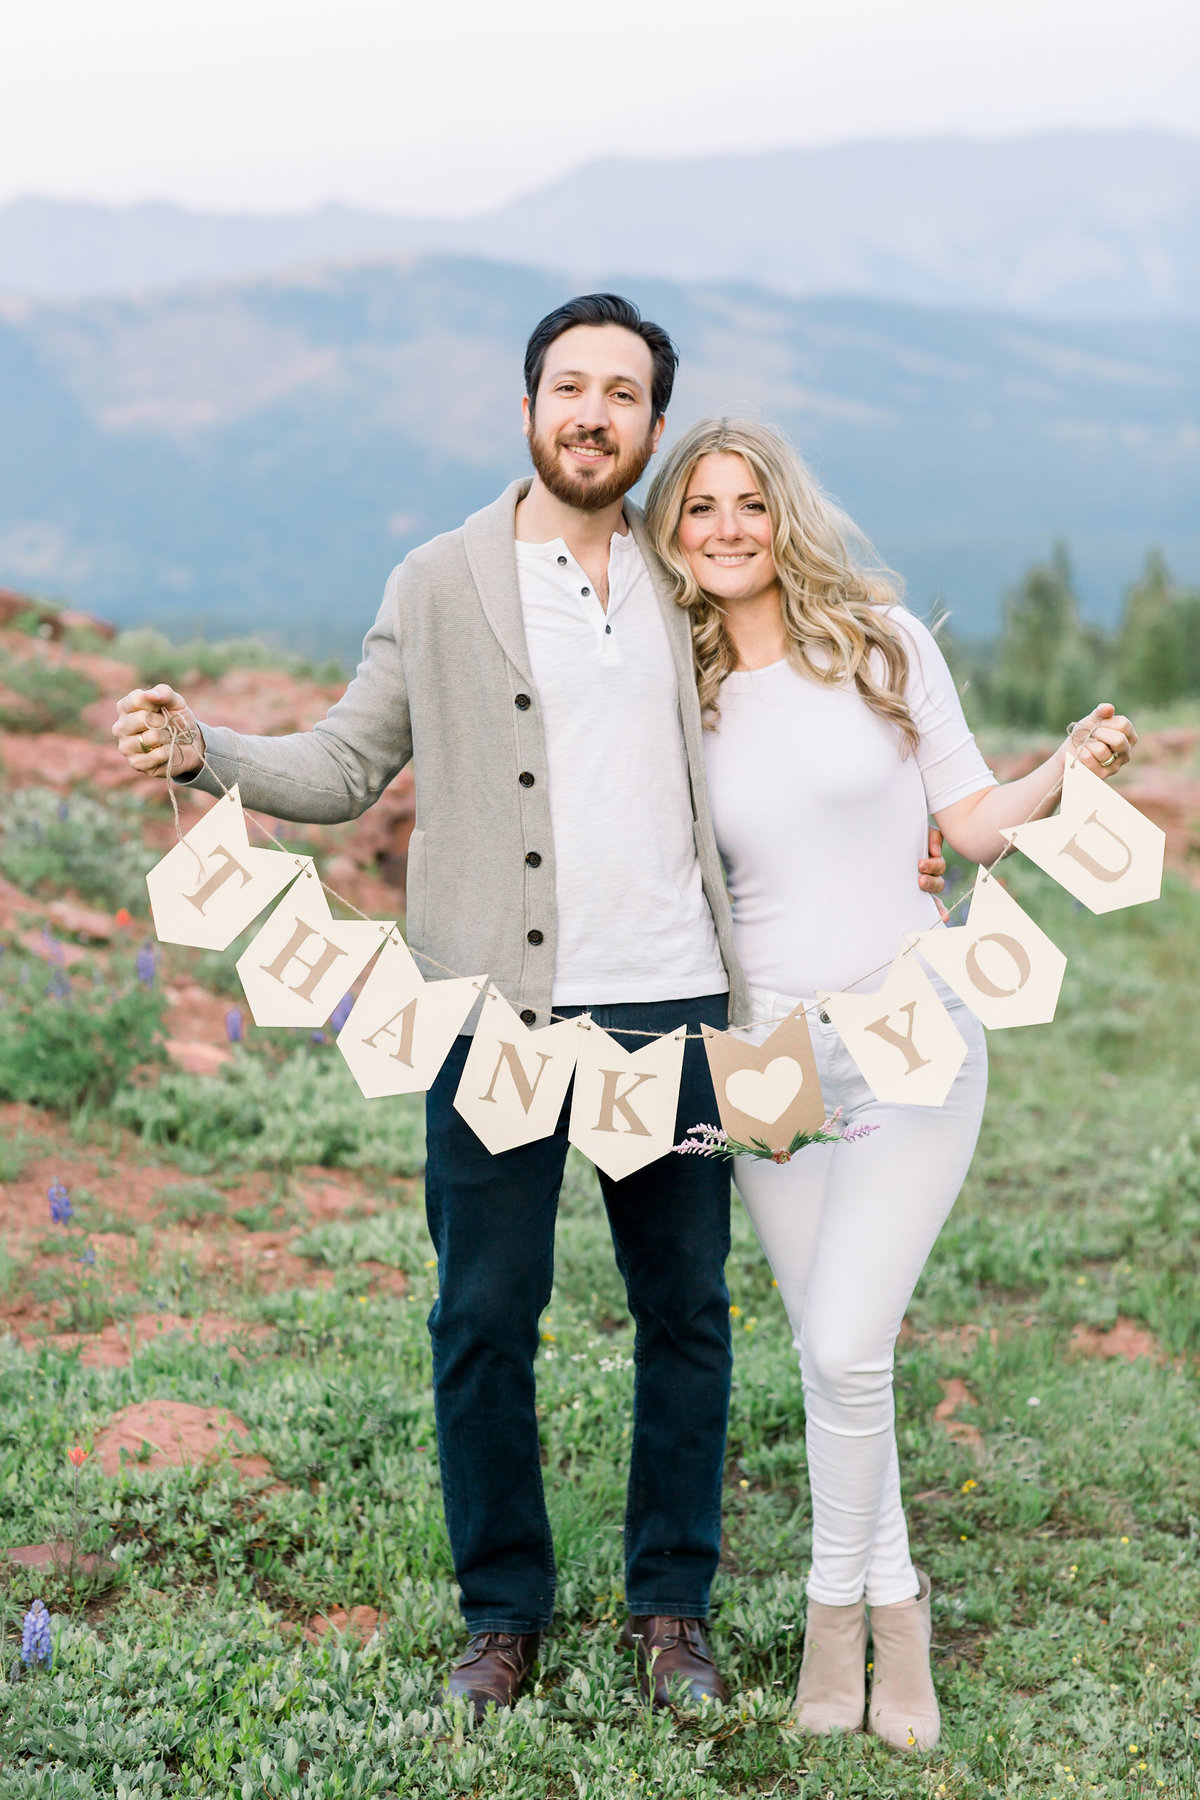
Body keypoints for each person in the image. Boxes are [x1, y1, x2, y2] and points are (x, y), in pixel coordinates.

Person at [111, 298, 947, 1717]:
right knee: (486, 1314)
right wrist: (203, 751)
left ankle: (670, 1610)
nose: (593, 413)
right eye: (571, 387)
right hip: (489, 1017)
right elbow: (340, 763)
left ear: (653, 428)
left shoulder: (692, 578)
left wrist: (918, 824)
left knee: (685, 1311)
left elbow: (818, 701)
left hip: (681, 1011)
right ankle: (502, 1613)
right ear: (527, 410)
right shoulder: (440, 581)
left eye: (623, 394)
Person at [644, 417, 1138, 1751]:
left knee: (852, 1339)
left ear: (783, 512)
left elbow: (968, 820)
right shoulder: (673, 691)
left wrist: (1065, 771)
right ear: (672, 537)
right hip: (762, 1065)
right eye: (700, 509)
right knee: (829, 1359)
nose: (729, 527)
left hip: (916, 1032)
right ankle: (888, 1597)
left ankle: (849, 1620)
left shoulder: (882, 647)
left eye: (750, 502)